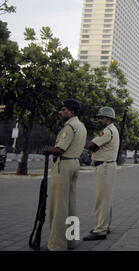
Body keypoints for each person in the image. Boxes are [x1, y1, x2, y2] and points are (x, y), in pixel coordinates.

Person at [43, 99, 87, 251]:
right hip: (75, 163)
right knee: (70, 205)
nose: (60, 112)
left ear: (72, 112)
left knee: (58, 206)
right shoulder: (81, 126)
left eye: (63, 109)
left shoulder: (69, 126)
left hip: (64, 164)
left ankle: (57, 244)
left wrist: (47, 149)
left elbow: (60, 149)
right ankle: (70, 240)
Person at [83, 106, 120, 241]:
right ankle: (105, 225)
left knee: (101, 200)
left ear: (108, 119)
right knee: (106, 199)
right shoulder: (112, 130)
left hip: (104, 167)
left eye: (102, 118)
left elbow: (91, 145)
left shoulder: (108, 131)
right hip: (108, 166)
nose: (99, 120)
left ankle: (100, 230)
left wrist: (92, 149)